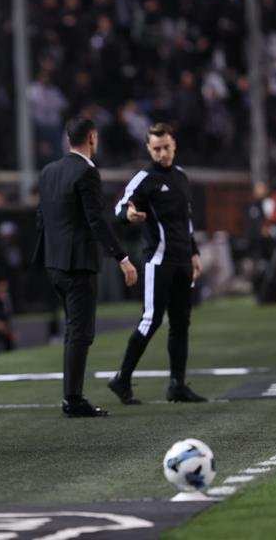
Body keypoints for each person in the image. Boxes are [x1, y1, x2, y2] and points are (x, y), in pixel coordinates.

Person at [34, 117, 138, 417]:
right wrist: (122, 258)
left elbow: (42, 217)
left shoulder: (49, 171)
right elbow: (96, 220)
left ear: (69, 140)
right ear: (92, 138)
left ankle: (72, 396)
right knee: (80, 332)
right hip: (78, 264)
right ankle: (73, 399)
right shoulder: (87, 172)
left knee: (73, 331)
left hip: (54, 262)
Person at [108, 122, 208, 405]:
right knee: (151, 320)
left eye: (166, 147)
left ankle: (177, 385)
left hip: (183, 260)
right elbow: (119, 207)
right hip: (159, 261)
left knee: (181, 323)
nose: (162, 153)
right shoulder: (145, 178)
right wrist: (128, 215)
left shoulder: (181, 176)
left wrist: (194, 252)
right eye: (156, 149)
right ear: (148, 149)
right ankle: (122, 379)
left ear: (174, 145)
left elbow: (187, 220)